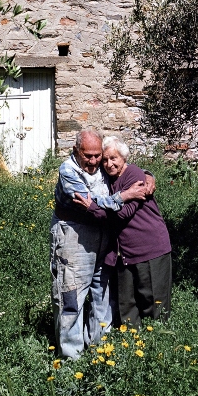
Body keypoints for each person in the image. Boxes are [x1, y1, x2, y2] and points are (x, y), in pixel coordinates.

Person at [50, 129, 149, 358]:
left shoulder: (99, 167)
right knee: (71, 297)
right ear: (76, 151)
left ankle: (100, 352)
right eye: (88, 156)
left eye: (98, 156)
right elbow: (92, 202)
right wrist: (123, 197)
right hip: (74, 237)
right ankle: (71, 359)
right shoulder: (68, 171)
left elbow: (123, 170)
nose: (94, 162)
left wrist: (147, 175)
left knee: (102, 295)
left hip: (103, 238)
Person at [101, 136, 173, 325]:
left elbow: (125, 212)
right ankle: (132, 345)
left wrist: (95, 211)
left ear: (123, 157)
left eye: (113, 158)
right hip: (124, 252)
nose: (109, 164)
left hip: (150, 247)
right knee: (127, 304)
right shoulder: (107, 179)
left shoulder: (133, 173)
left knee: (154, 302)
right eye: (105, 159)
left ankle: (158, 343)